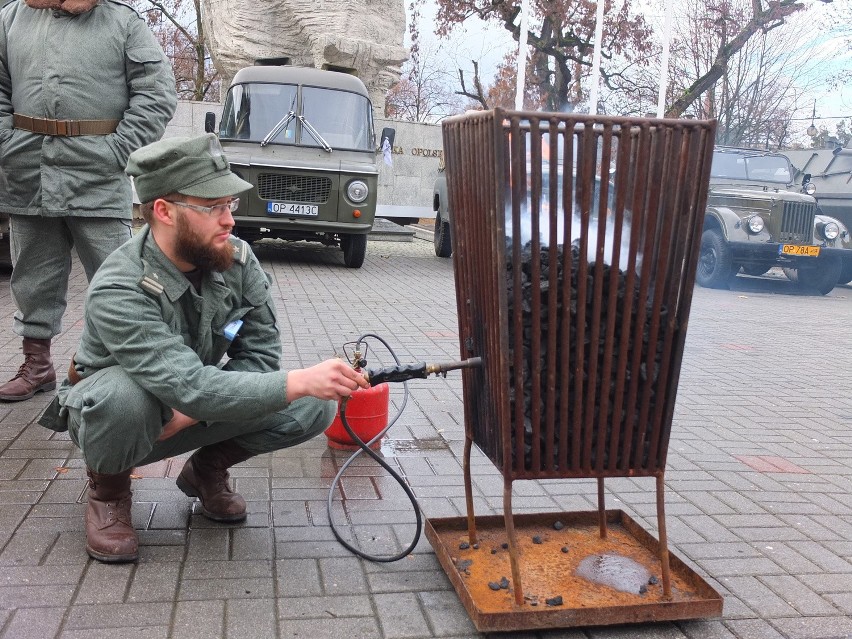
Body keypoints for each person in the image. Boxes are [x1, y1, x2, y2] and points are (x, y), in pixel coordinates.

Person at [40, 133, 368, 563]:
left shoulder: (238, 259)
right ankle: (109, 494)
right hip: (124, 419)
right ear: (164, 211)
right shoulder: (120, 285)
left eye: (229, 204)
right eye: (212, 207)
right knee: (124, 397)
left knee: (312, 405)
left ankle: (205, 470)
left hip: (184, 410)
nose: (229, 219)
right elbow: (188, 384)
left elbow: (260, 359)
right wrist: (295, 381)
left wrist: (193, 414)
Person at [0, 0, 178, 401]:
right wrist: (7, 144)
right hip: (29, 170)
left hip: (98, 175)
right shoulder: (9, 18)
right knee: (31, 277)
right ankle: (38, 365)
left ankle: (117, 368)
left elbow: (157, 93)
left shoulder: (122, 22)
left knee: (116, 277)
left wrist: (119, 150)